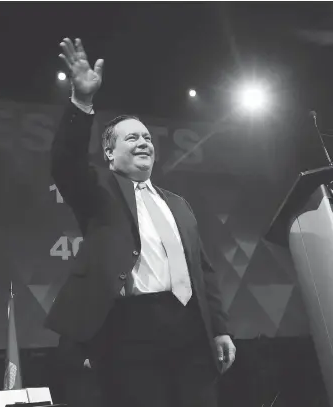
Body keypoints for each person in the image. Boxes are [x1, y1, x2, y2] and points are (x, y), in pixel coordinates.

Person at [45, 37, 236, 407]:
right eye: (132, 137)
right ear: (109, 153)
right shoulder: (98, 190)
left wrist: (220, 330)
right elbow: (65, 164)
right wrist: (82, 102)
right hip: (131, 330)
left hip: (191, 329)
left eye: (147, 137)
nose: (144, 142)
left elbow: (204, 273)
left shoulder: (178, 204)